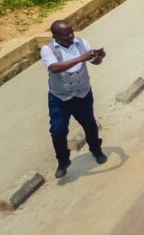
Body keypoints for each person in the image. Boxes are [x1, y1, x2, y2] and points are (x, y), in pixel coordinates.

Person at [41, 19, 107, 179]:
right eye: (66, 34)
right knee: (58, 131)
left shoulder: (81, 43)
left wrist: (98, 57)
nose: (70, 36)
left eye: (71, 32)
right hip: (60, 97)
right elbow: (54, 68)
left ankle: (96, 150)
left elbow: (94, 61)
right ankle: (63, 161)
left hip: (83, 94)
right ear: (55, 36)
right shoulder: (47, 50)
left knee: (90, 125)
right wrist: (80, 58)